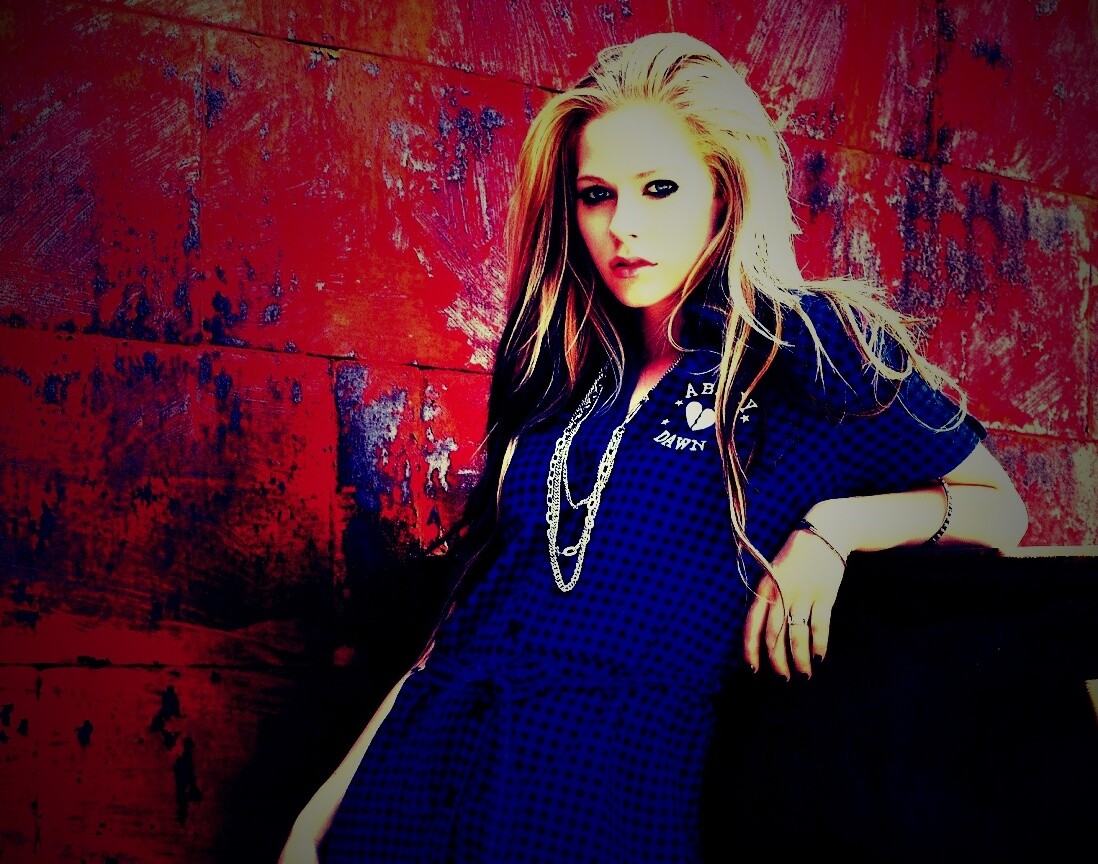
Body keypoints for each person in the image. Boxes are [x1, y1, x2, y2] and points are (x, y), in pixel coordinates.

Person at [280, 31, 1028, 863]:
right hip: (413, 790)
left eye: (658, 188)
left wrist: (835, 532)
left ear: (722, 191)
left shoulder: (803, 349)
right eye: (596, 195)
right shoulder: (558, 371)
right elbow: (464, 620)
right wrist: (320, 815)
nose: (622, 227)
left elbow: (1000, 509)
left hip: (604, 800)